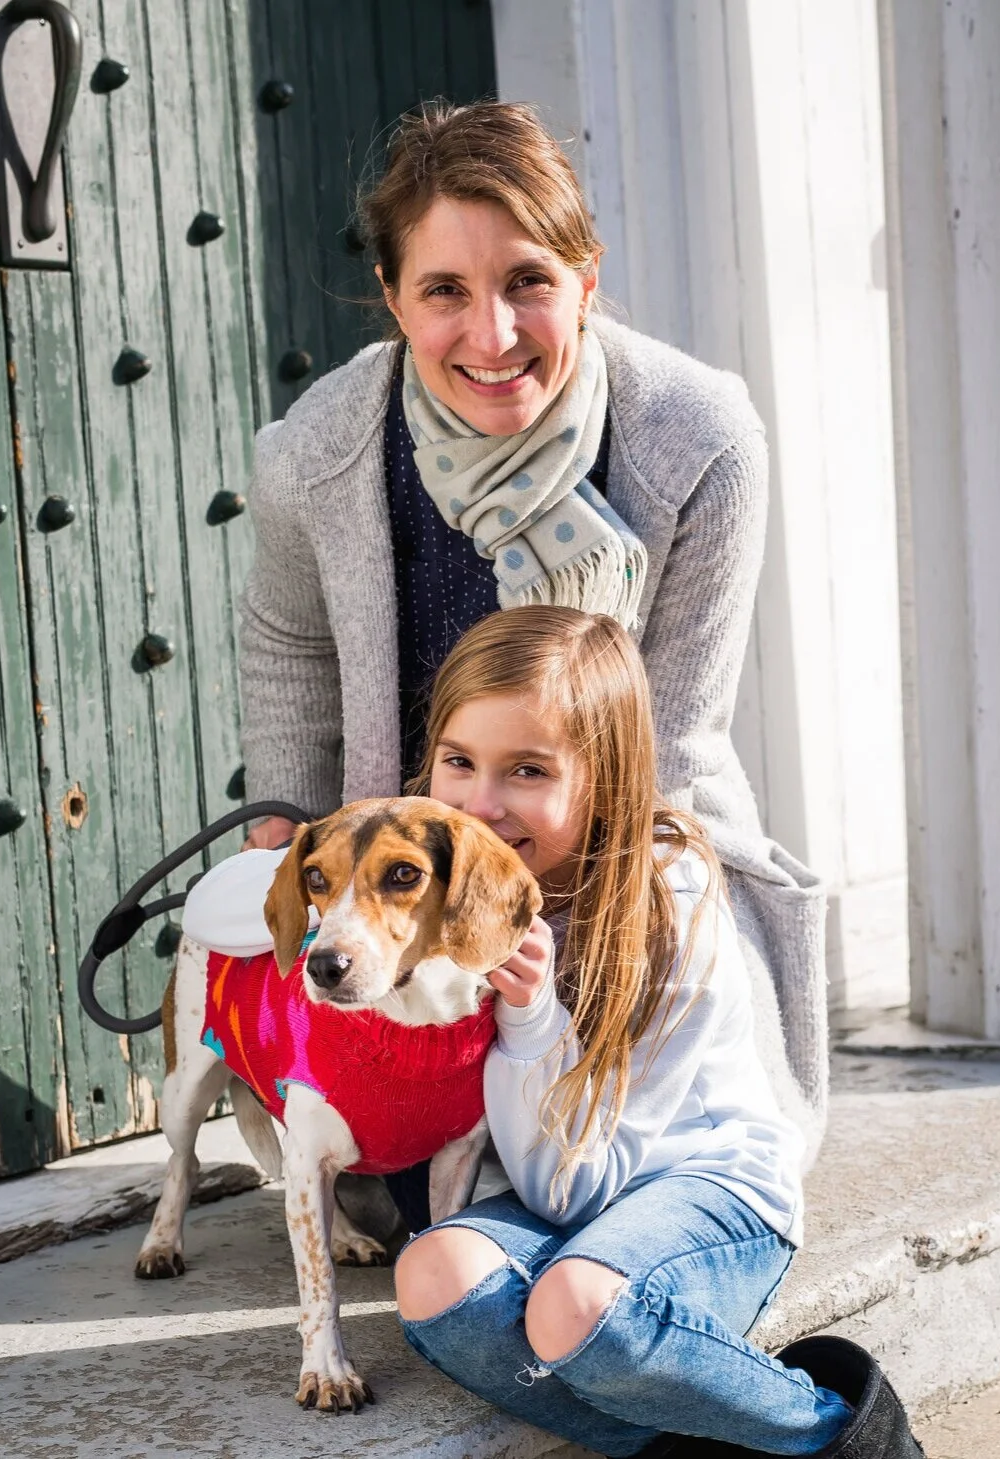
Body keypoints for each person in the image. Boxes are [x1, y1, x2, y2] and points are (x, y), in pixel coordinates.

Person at [235, 101, 827, 1227]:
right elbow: (288, 640)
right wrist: (291, 828)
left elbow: (672, 739)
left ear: (586, 279)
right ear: (392, 297)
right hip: (409, 885)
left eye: (527, 282)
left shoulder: (699, 441)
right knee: (404, 1193)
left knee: (608, 1160)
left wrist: (556, 956)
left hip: (619, 855)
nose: (493, 334)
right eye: (443, 291)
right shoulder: (315, 453)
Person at [386, 607, 917, 1456]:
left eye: (527, 769)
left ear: (603, 780)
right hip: (564, 1199)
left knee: (575, 1309)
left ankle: (840, 1438)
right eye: (459, 761)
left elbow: (573, 1190)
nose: (480, 805)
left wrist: (528, 1014)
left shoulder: (669, 897)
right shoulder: (443, 889)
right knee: (433, 1275)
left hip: (710, 1192)